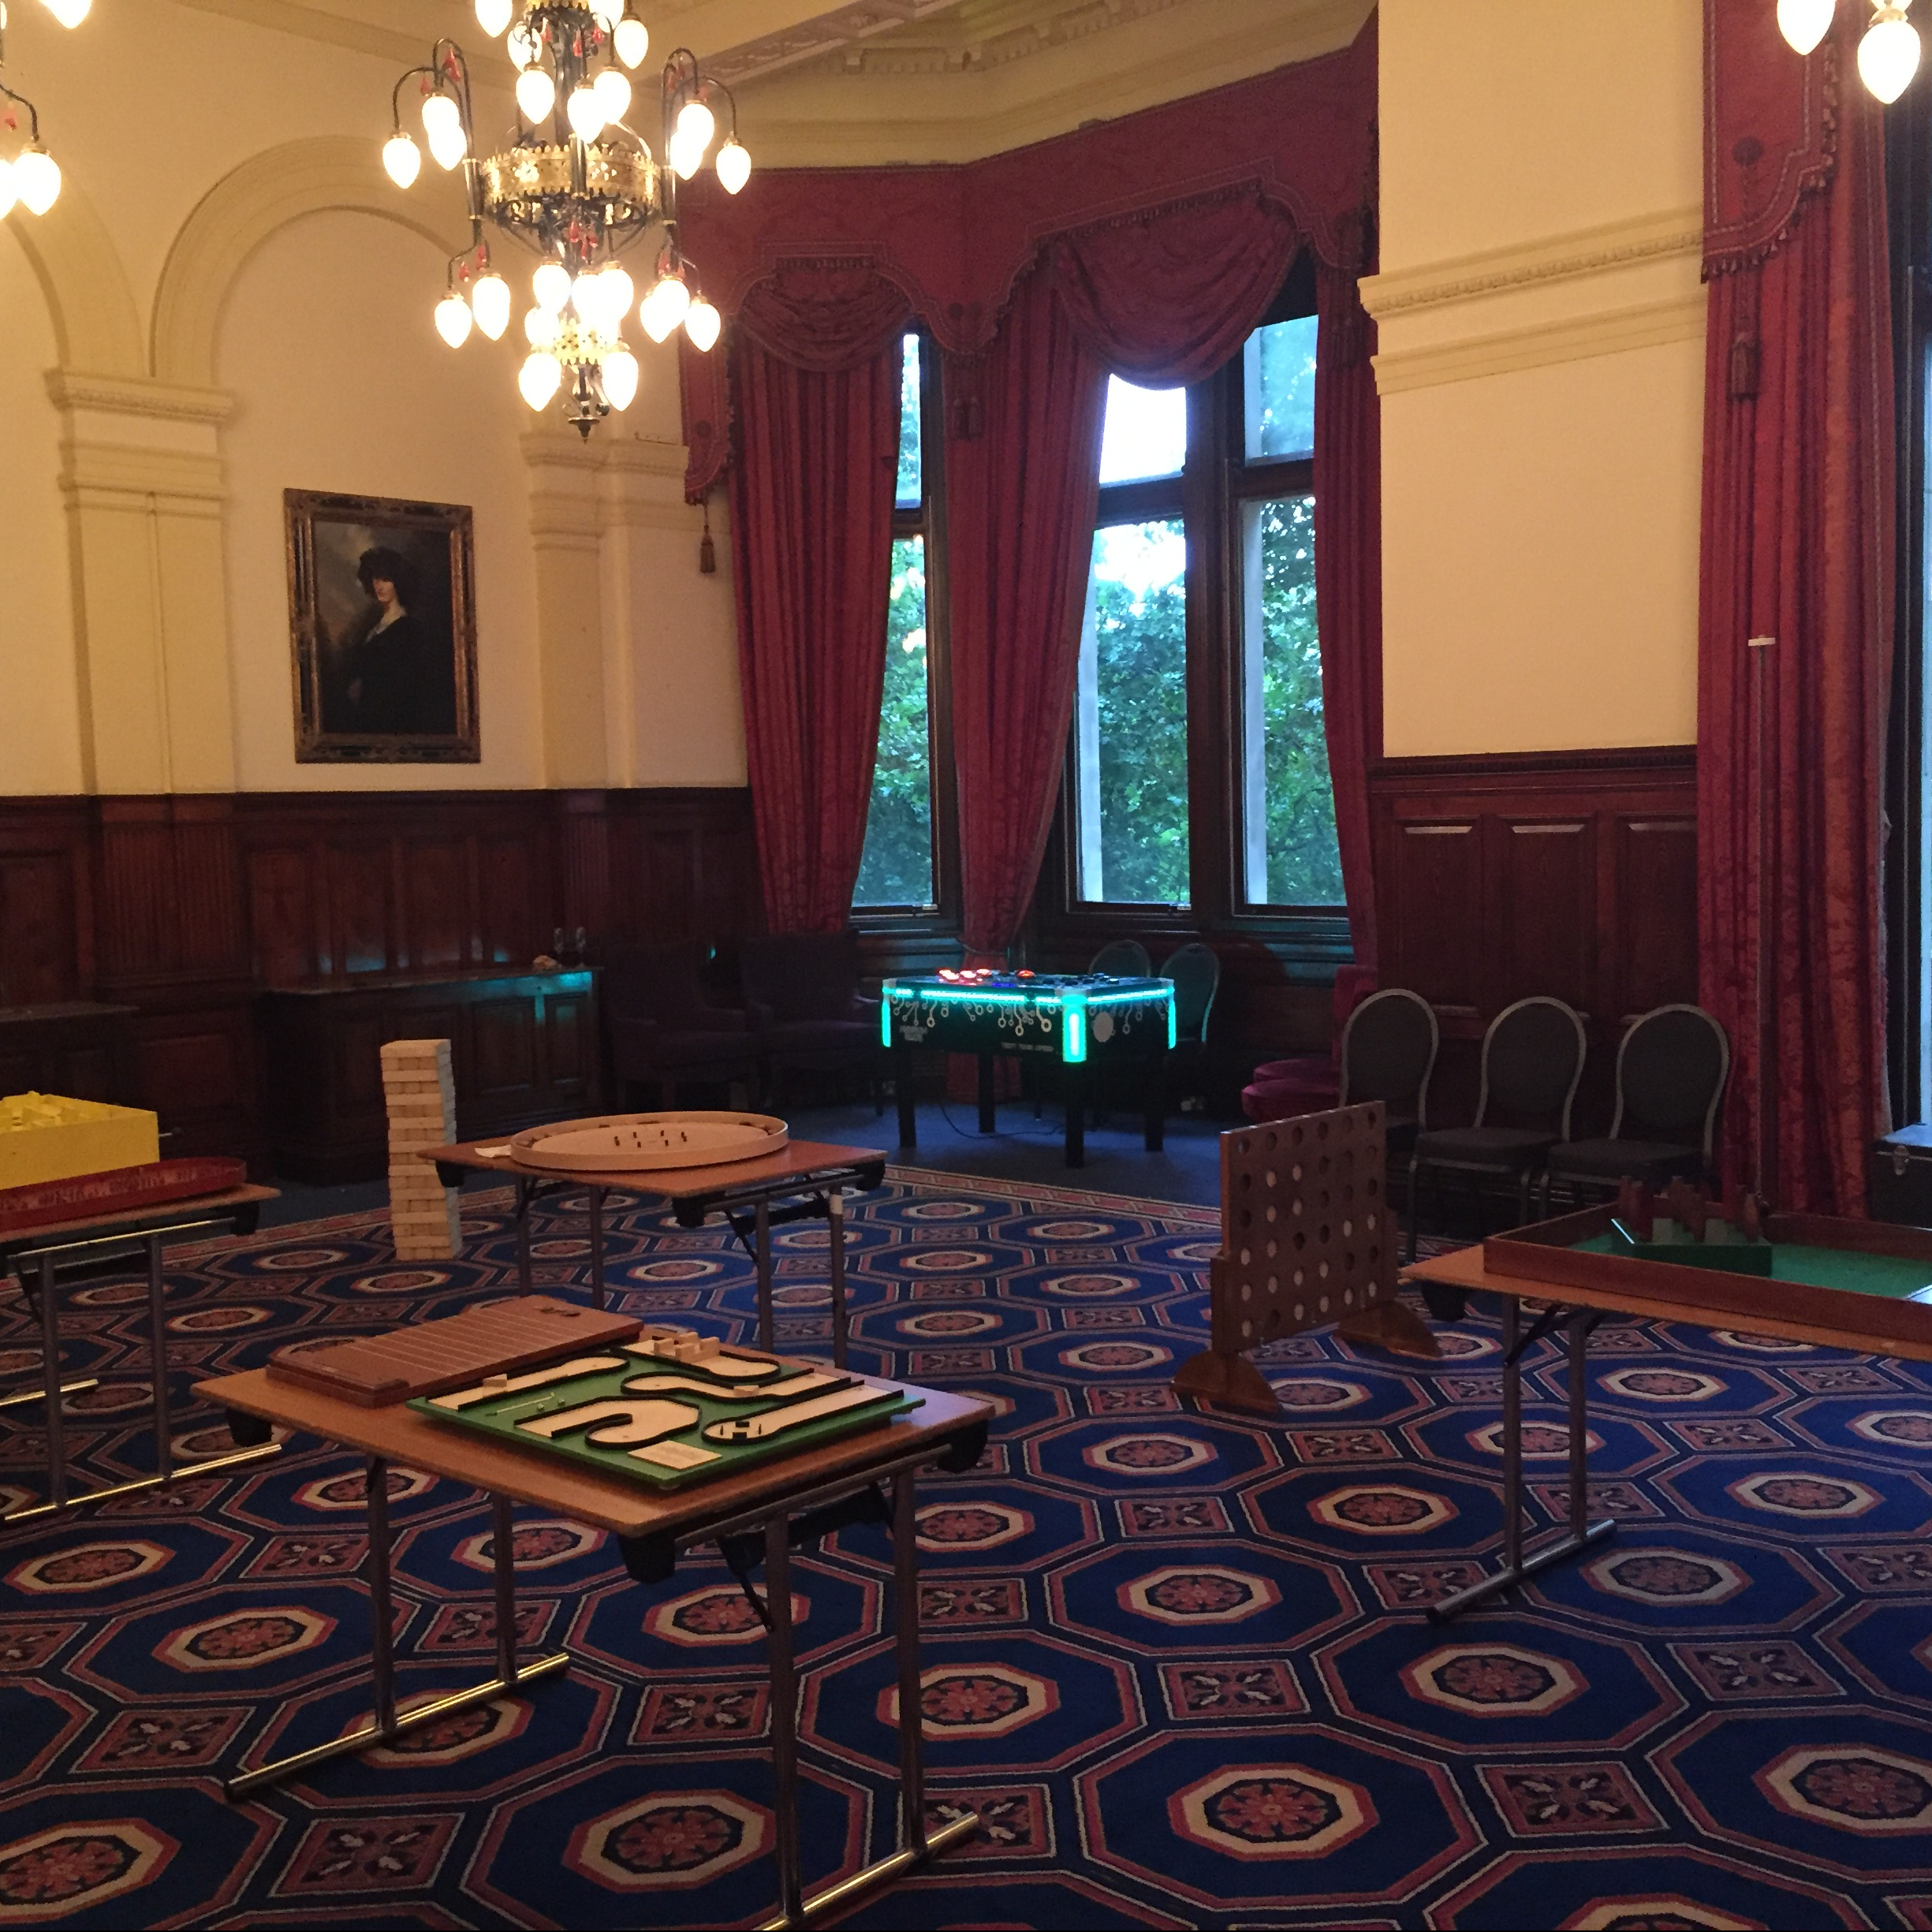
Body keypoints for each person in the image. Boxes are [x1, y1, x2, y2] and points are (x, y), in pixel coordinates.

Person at [320, 546, 457, 737]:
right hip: (367, 714)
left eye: (386, 579)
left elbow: (406, 681)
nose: (379, 586)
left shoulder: (408, 628)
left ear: (398, 582)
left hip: (392, 718)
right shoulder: (372, 625)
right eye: (375, 579)